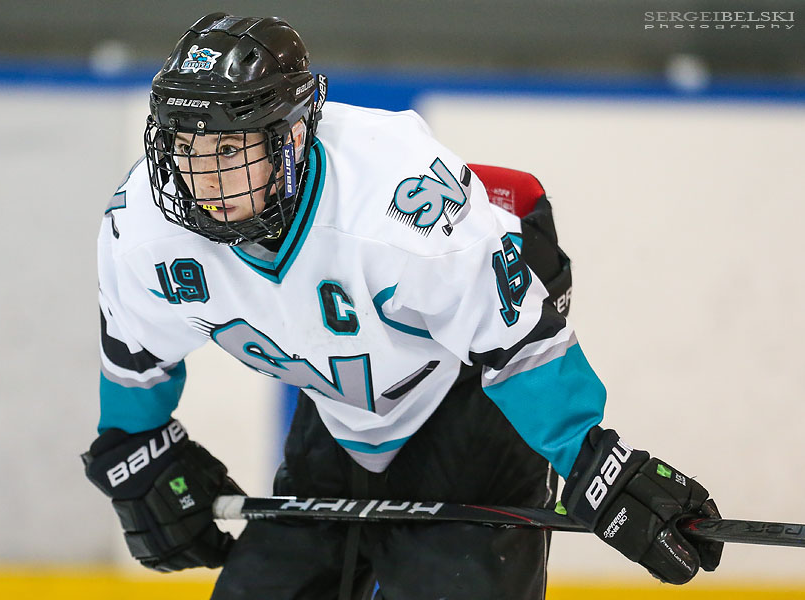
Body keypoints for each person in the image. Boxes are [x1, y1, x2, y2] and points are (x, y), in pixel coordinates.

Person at [81, 12, 723, 600]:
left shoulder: (398, 198)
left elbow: (515, 340)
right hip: (339, 418)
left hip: (468, 400)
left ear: (293, 136)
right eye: (188, 149)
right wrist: (137, 448)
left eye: (229, 150)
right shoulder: (143, 229)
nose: (205, 182)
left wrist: (593, 460)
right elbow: (136, 352)